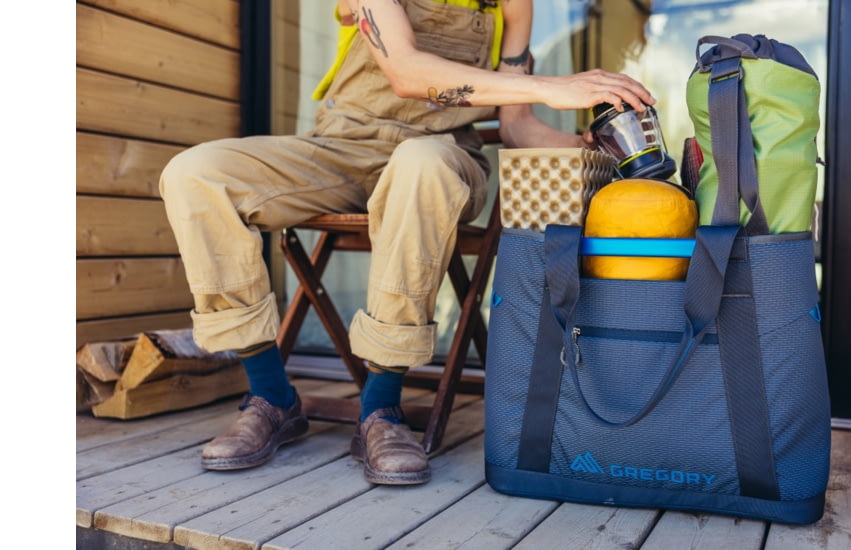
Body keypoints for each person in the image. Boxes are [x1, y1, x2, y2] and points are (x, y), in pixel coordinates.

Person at [160, 0, 655, 485]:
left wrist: (583, 143)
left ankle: (380, 409)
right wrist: (552, 86)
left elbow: (515, 123)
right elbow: (407, 74)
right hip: (340, 147)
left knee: (420, 163)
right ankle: (270, 396)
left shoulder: (510, 5)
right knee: (196, 174)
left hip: (441, 155)